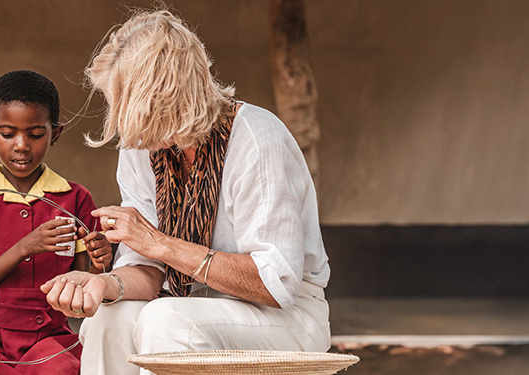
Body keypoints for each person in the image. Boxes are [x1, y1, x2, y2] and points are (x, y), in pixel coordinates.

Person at [40, 9, 331, 375]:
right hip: (186, 301)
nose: (127, 127)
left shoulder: (257, 138)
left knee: (167, 321)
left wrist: (161, 244)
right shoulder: (141, 147)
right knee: (107, 321)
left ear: (167, 97)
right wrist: (103, 284)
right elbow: (147, 270)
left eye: (131, 107)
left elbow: (277, 284)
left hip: (287, 317)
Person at [0, 70, 113, 375]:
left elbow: (81, 284)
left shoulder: (74, 198)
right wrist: (26, 246)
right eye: (8, 133)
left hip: (52, 340)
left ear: (55, 133)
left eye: (35, 134)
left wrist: (99, 264)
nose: (21, 145)